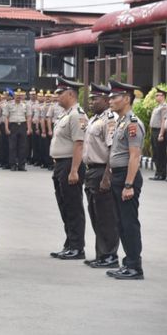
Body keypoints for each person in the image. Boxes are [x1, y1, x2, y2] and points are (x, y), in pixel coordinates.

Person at [106, 80, 145, 280]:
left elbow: (135, 156)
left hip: (127, 178)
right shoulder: (121, 121)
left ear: (127, 99)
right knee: (121, 222)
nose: (110, 100)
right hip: (118, 176)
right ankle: (127, 262)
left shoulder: (132, 124)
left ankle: (134, 266)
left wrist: (129, 184)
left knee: (129, 222)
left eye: (115, 97)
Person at [48, 77, 88, 261]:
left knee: (73, 207)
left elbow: (78, 144)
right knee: (64, 205)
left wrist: (74, 170)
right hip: (60, 165)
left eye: (60, 93)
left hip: (70, 165)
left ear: (71, 94)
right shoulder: (66, 114)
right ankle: (70, 243)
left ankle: (77, 247)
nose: (57, 97)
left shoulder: (77, 115)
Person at [82, 82, 120, 269]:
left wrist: (107, 176)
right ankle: (101, 253)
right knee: (95, 214)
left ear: (105, 100)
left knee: (106, 216)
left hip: (102, 170)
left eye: (95, 99)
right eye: (90, 99)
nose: (91, 102)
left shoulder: (109, 119)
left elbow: (113, 150)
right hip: (91, 171)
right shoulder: (94, 118)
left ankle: (110, 255)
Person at [4, 88, 31, 171]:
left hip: (22, 125)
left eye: (20, 95)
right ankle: (12, 164)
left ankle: (21, 165)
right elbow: (6, 117)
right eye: (17, 95)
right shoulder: (8, 105)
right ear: (14, 96)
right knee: (12, 146)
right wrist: (6, 128)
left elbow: (28, 117)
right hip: (13, 126)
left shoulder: (26, 105)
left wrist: (29, 128)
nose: (18, 97)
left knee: (23, 146)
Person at [149, 87, 167, 180]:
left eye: (157, 95)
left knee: (160, 153)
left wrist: (161, 134)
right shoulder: (157, 107)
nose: (156, 97)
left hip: (159, 131)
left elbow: (163, 121)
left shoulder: (164, 107)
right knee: (156, 153)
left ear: (163, 96)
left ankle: (162, 174)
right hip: (154, 131)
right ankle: (158, 173)